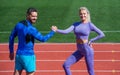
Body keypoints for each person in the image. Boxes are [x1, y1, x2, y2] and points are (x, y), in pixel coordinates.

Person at [52, 7, 105, 75]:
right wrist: (57, 30)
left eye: (84, 14)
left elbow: (102, 34)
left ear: (87, 14)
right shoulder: (75, 24)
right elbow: (66, 31)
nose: (82, 15)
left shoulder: (89, 25)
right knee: (65, 65)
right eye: (81, 14)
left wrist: (91, 40)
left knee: (90, 71)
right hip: (79, 50)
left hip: (87, 50)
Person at [9, 7, 56, 75]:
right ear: (27, 15)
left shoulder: (18, 24)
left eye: (36, 16)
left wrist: (11, 51)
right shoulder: (31, 29)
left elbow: (11, 37)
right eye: (33, 16)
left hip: (19, 55)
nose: (35, 18)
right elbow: (43, 39)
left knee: (16, 73)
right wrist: (52, 32)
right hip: (28, 56)